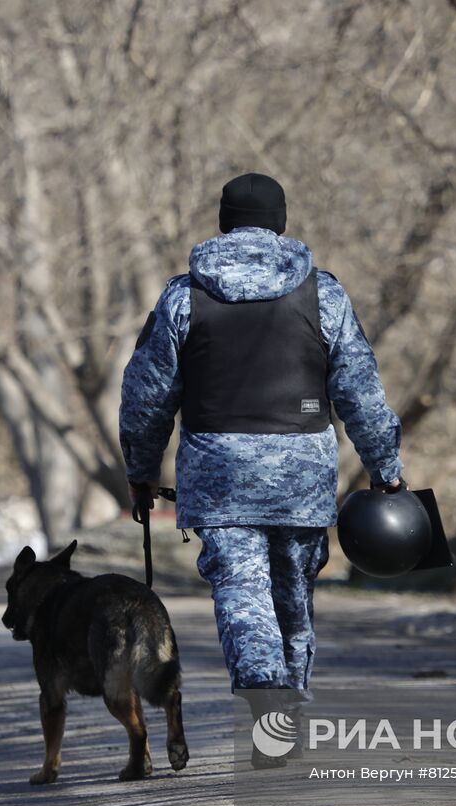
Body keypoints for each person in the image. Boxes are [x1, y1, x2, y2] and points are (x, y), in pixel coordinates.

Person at [119, 173, 404, 765]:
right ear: (281, 221)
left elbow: (146, 397)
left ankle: (271, 709)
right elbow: (361, 393)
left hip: (220, 477)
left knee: (244, 598)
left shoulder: (182, 297)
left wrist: (141, 470)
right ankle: (288, 707)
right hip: (302, 478)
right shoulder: (324, 295)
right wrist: (386, 469)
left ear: (224, 221)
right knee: (293, 598)